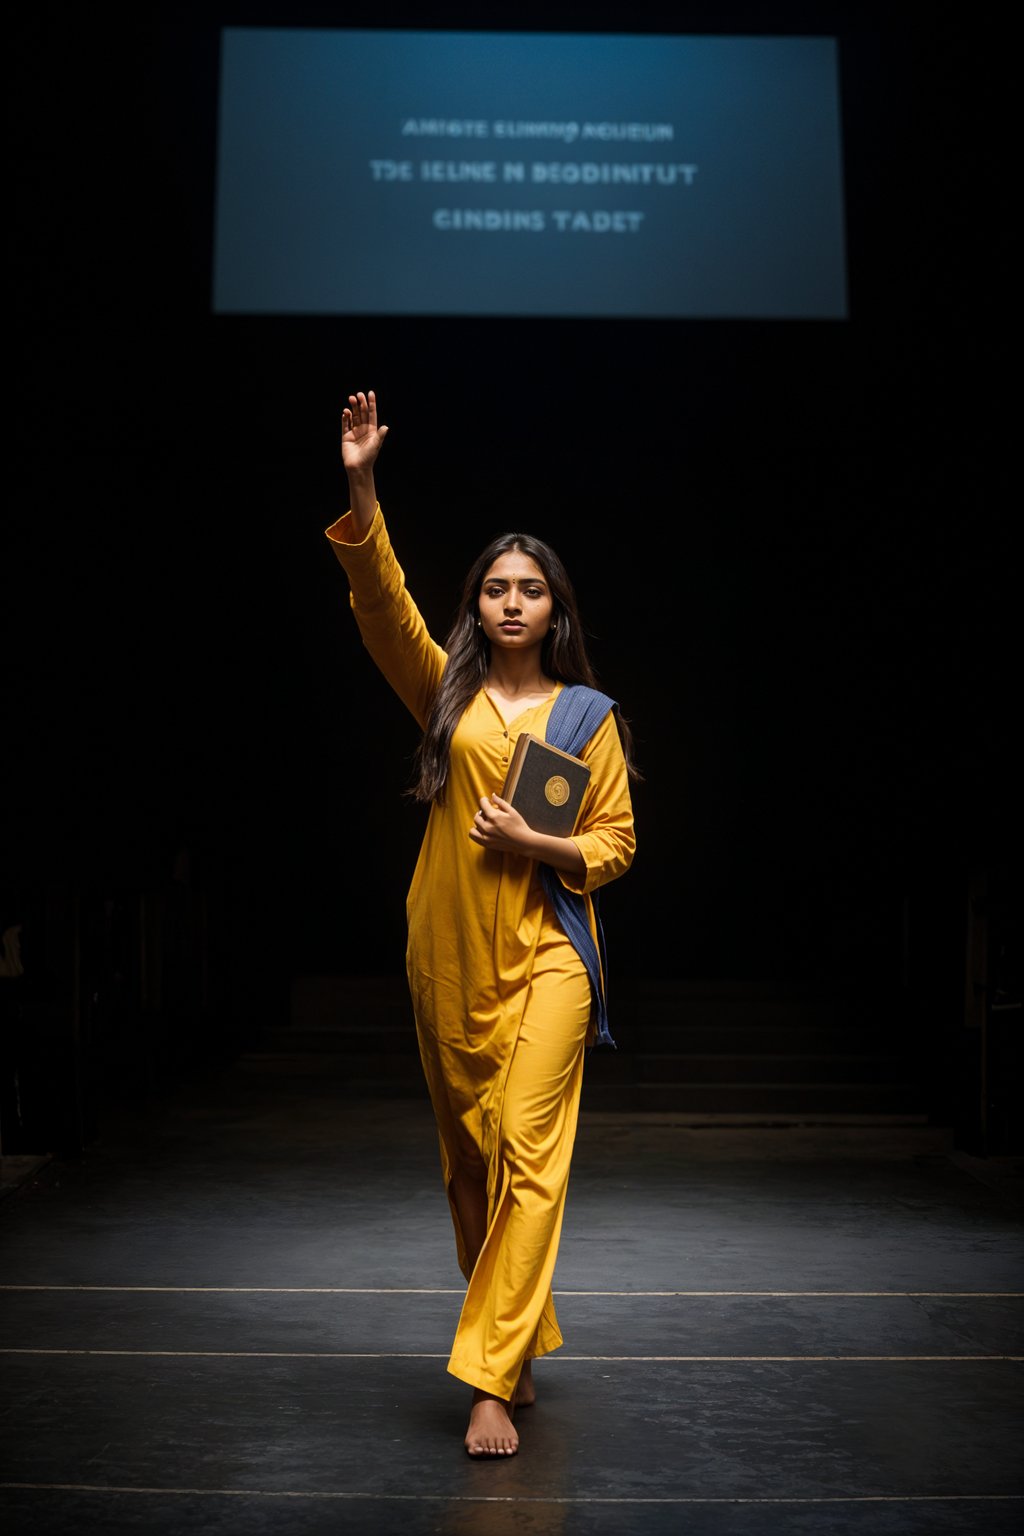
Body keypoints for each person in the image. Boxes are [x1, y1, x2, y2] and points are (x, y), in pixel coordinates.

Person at [326, 389, 639, 1457]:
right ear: (479, 606)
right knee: (469, 1163)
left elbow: (613, 847)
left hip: (550, 948)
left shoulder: (585, 721)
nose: (512, 604)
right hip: (448, 952)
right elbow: (383, 609)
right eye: (497, 590)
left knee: (527, 1148)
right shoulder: (446, 696)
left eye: (531, 591)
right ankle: (519, 1335)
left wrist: (536, 845)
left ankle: (488, 1384)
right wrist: (362, 484)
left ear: (556, 609)